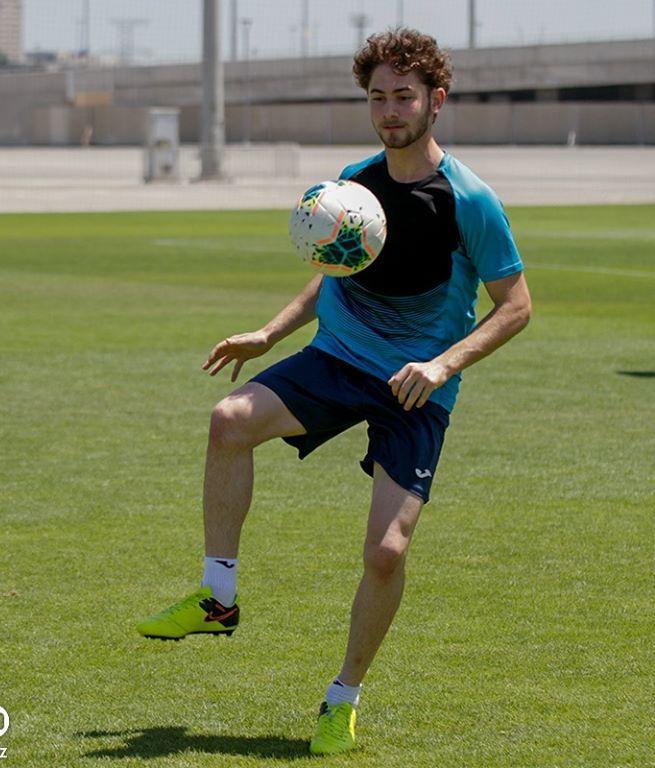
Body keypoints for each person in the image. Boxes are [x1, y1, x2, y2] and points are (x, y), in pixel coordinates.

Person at [136, 28, 532, 756]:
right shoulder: (353, 184)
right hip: (339, 358)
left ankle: (342, 698)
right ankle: (217, 596)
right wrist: (269, 333)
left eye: (403, 96)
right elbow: (332, 272)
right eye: (378, 97)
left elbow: (516, 307)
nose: (389, 111)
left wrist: (442, 367)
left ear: (436, 101)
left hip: (414, 387)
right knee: (229, 420)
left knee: (386, 551)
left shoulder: (471, 200)